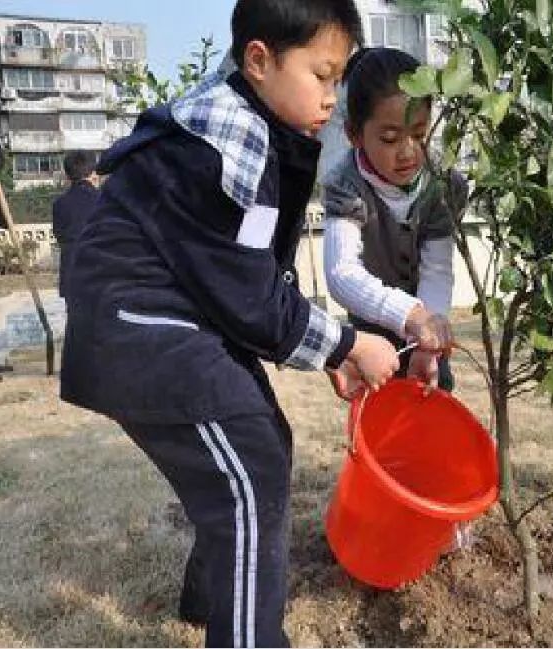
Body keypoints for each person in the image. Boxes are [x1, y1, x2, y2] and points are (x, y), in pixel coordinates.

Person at [59, 1, 405, 646]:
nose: (332, 99)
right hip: (145, 330)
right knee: (251, 477)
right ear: (259, 59)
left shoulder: (245, 120)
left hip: (172, 321)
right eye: (322, 75)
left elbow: (250, 273)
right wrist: (350, 343)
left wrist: (330, 351)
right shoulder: (227, 138)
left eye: (340, 80)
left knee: (259, 447)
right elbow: (247, 295)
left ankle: (211, 601)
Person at [323, 47, 466, 392]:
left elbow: (436, 269)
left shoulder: (442, 185)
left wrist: (426, 340)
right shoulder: (346, 183)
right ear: (355, 135)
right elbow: (342, 273)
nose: (407, 151)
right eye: (389, 138)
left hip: (424, 324)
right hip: (372, 326)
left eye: (418, 134)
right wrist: (410, 317)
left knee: (434, 403)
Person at [52, 150, 99, 298]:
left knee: (75, 318)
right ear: (92, 173)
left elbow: (59, 235)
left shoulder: (59, 203)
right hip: (100, 274)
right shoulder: (104, 200)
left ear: (67, 176)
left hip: (71, 274)